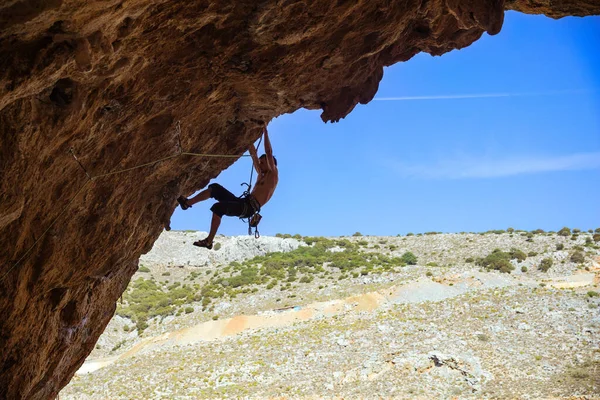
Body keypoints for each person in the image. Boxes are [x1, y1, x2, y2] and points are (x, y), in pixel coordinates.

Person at [177, 127, 278, 249]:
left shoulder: (272, 175)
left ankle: (209, 241)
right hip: (243, 203)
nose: (260, 165)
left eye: (263, 163)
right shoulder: (260, 174)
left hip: (248, 208)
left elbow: (268, 152)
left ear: (270, 162)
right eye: (260, 163)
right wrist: (249, 134)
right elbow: (253, 153)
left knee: (218, 208)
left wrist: (265, 132)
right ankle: (187, 203)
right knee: (214, 188)